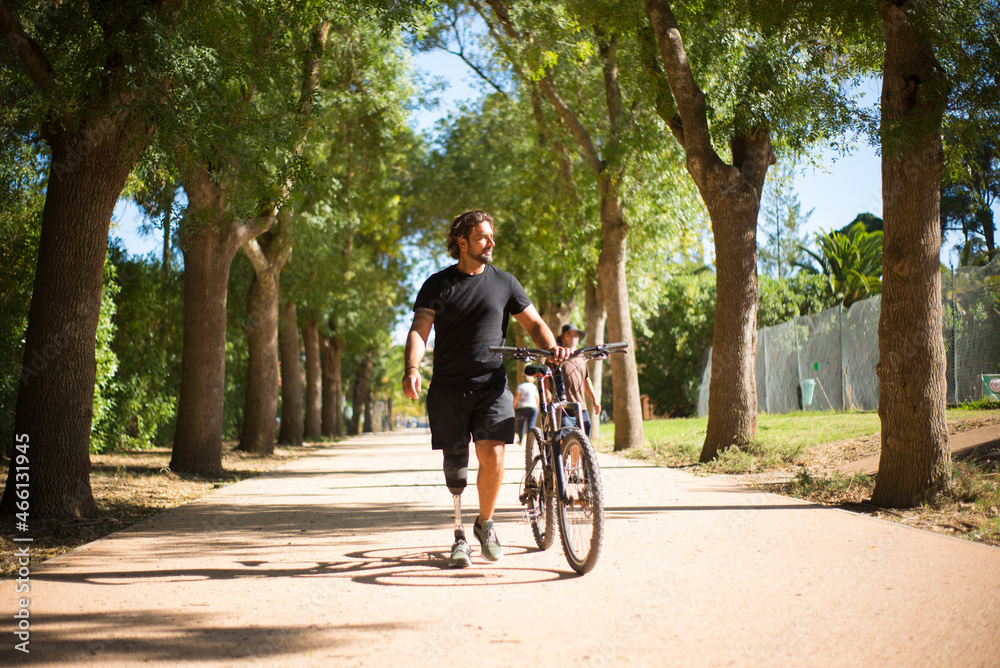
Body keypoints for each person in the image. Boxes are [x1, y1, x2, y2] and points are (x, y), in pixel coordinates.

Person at [402, 210, 570, 568]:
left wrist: (551, 346)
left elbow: (535, 323)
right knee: (456, 469)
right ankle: (459, 534)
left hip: (492, 387)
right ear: (462, 243)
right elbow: (420, 330)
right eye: (483, 237)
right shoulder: (437, 285)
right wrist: (412, 367)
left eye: (491, 236)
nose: (491, 243)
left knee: (493, 456)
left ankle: (485, 525)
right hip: (448, 388)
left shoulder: (505, 283)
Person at [553, 324, 601, 437]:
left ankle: (580, 456)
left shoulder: (581, 356)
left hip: (580, 406)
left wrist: (595, 400)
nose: (573, 337)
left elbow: (586, 380)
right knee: (563, 441)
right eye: (569, 335)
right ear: (562, 338)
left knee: (584, 441)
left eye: (575, 335)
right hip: (562, 406)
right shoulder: (556, 356)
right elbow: (546, 378)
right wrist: (547, 395)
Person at [514, 374, 539, 445]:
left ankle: (521, 440)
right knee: (531, 424)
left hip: (521, 408)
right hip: (532, 407)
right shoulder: (533, 386)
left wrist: (513, 406)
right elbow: (537, 398)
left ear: (523, 378)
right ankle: (530, 441)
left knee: (521, 425)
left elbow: (517, 397)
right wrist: (537, 407)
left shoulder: (520, 386)